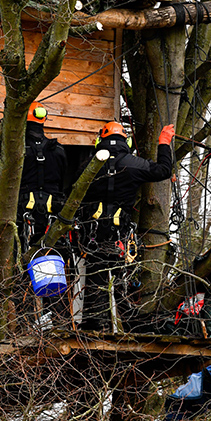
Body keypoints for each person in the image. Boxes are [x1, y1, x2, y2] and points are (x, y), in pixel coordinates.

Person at [77, 121, 175, 327]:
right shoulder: (135, 164)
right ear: (127, 141)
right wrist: (164, 142)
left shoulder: (88, 165)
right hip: (120, 232)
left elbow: (73, 193)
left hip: (92, 232)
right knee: (122, 278)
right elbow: (164, 170)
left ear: (99, 141)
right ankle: (131, 325)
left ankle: (93, 323)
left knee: (96, 275)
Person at [19, 101, 70, 249]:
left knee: (20, 251)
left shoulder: (19, 149)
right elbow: (62, 180)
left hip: (22, 209)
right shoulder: (58, 150)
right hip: (51, 211)